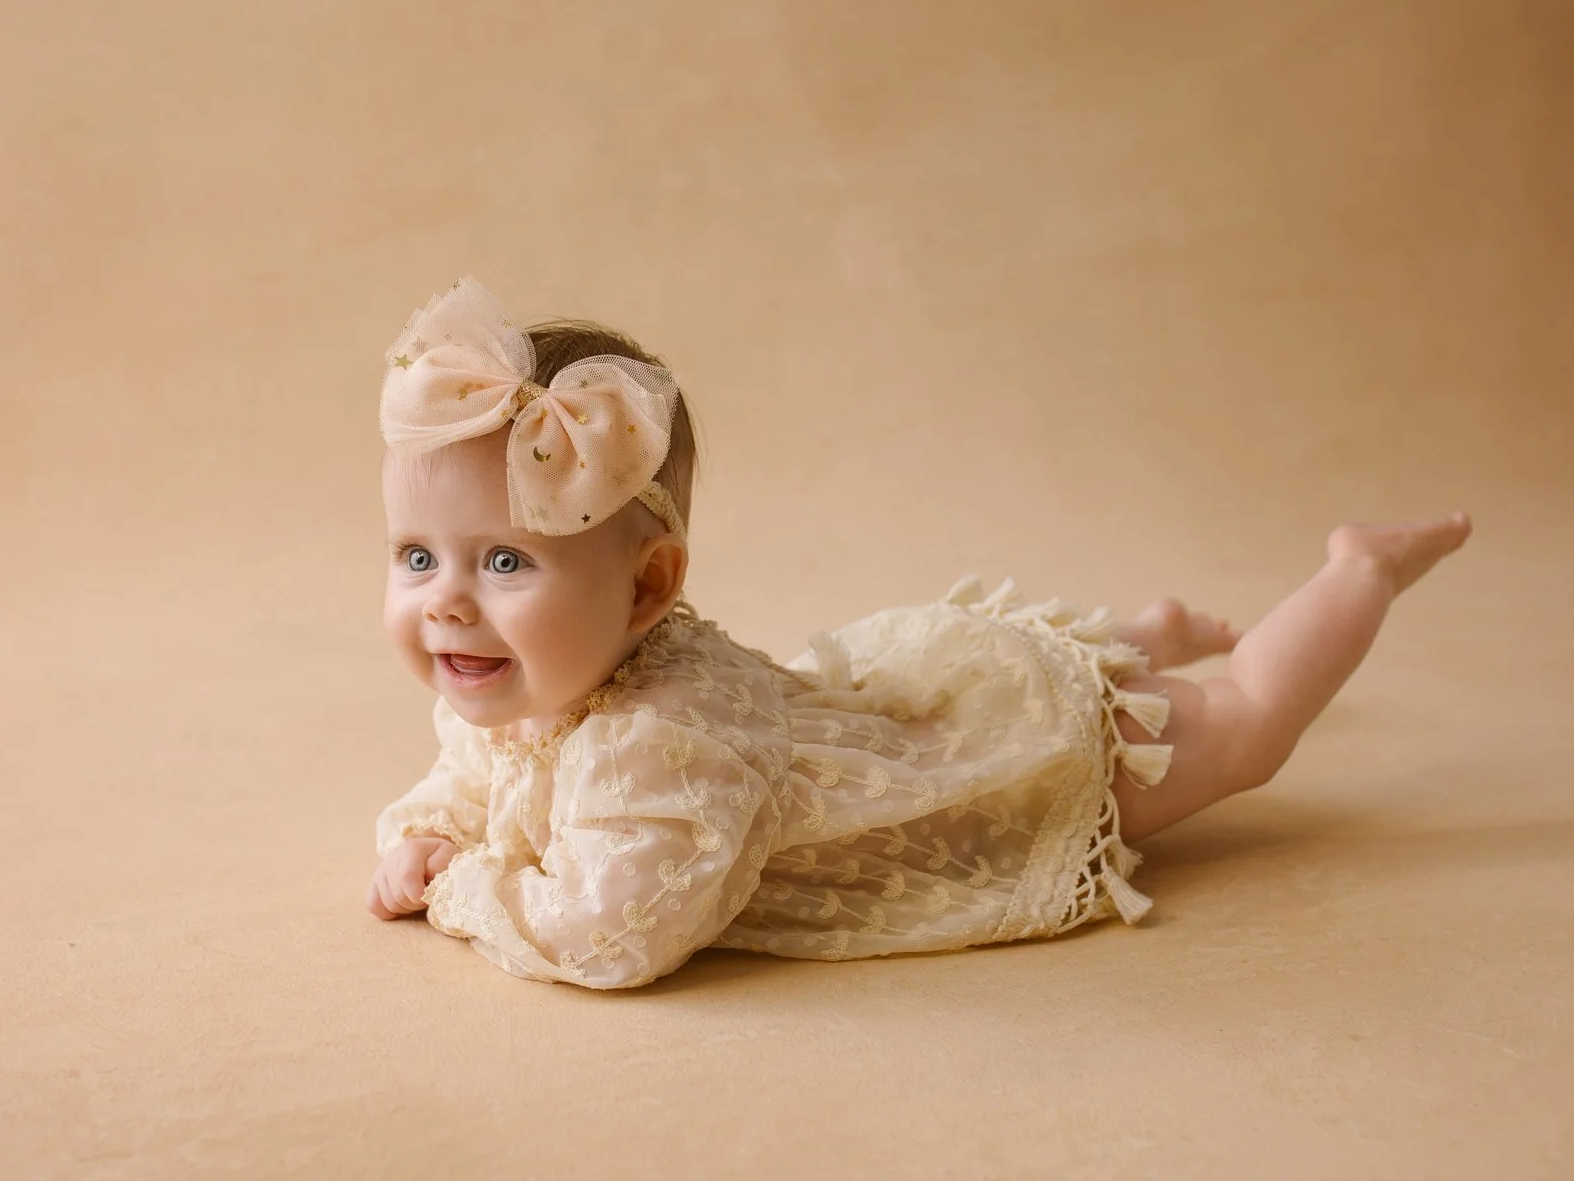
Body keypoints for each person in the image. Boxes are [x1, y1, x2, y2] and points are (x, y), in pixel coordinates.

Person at [366, 277, 1472, 989]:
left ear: (650, 588)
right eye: (418, 556)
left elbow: (613, 938)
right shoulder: (514, 679)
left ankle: (1356, 570)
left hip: (990, 776)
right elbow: (468, 781)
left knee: (1246, 730)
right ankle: (1143, 632)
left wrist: (456, 887)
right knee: (1089, 667)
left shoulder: (662, 743)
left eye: (506, 561)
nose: (446, 603)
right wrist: (419, 834)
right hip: (882, 704)